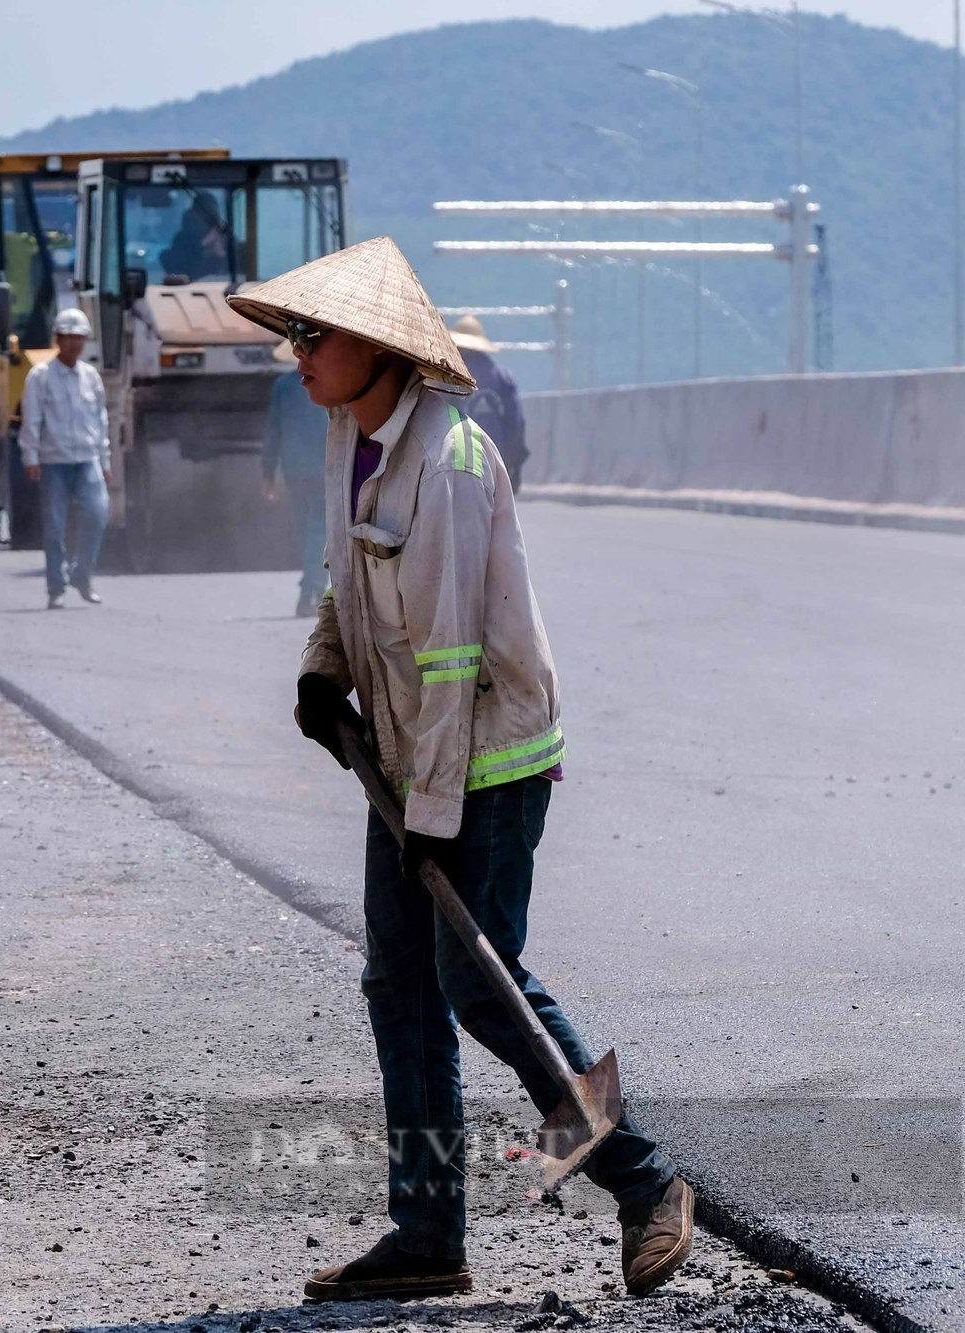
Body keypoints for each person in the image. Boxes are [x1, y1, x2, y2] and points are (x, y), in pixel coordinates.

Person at [226, 239, 693, 1303]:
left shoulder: (448, 463)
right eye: (292, 334)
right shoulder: (352, 434)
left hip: (482, 759)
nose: (294, 355)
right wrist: (319, 668)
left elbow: (446, 657)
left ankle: (647, 1181)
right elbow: (348, 584)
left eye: (313, 336)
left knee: (480, 988)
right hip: (409, 755)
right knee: (396, 983)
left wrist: (430, 808)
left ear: (379, 348)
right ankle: (426, 1235)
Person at [19, 307, 109, 609]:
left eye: (80, 338)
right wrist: (30, 457)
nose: (75, 344)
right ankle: (55, 587)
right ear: (58, 339)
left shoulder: (90, 377)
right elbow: (31, 420)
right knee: (55, 526)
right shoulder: (40, 377)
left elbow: (100, 420)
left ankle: (82, 575)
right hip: (54, 461)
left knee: (98, 513)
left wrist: (105, 459)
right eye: (69, 338)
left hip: (87, 458)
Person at [262, 362, 329, 615]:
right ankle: (312, 590)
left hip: (294, 469)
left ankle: (311, 588)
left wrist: (268, 472)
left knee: (306, 529)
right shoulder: (331, 381)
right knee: (319, 530)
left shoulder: (283, 385)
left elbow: (273, 431)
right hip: (325, 466)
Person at [449, 315, 530, 494]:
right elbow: (516, 423)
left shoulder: (448, 376)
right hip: (495, 463)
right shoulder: (502, 377)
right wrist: (515, 465)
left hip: (455, 464)